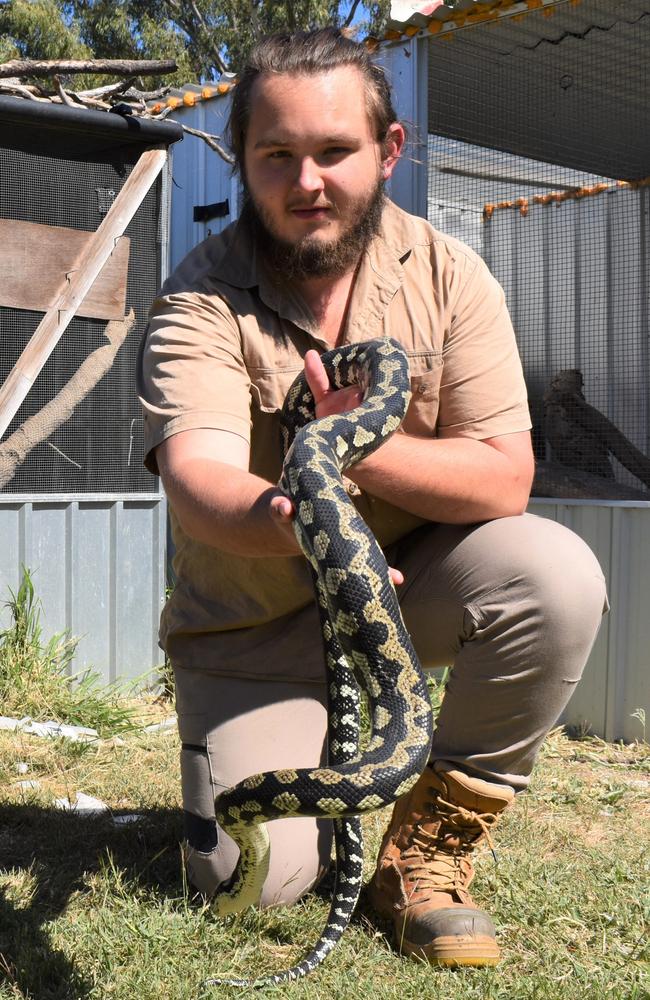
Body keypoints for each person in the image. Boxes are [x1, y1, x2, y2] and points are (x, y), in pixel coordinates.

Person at [137, 27, 607, 968]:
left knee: (552, 573)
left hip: (406, 589)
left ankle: (422, 854)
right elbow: (200, 482)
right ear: (246, 160)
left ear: (387, 152)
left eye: (333, 152)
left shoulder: (450, 276)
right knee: (253, 874)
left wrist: (350, 453)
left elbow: (504, 476)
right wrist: (311, 531)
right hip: (254, 626)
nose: (306, 182)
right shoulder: (200, 297)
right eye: (277, 155)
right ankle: (285, 774)